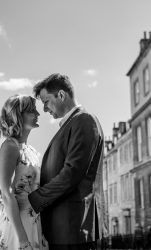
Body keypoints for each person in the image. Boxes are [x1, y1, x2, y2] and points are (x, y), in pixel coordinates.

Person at [28, 73, 104, 250]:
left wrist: (32, 201)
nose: (45, 109)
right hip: (63, 231)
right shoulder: (71, 124)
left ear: (61, 95)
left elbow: (71, 174)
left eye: (46, 102)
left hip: (74, 230)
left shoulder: (85, 120)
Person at [0, 95, 48, 250]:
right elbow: (6, 193)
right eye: (32, 111)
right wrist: (22, 240)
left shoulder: (33, 152)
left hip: (34, 225)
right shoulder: (10, 146)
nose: (38, 114)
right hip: (16, 229)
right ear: (18, 116)